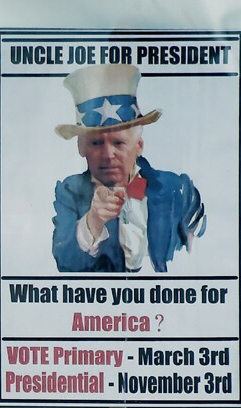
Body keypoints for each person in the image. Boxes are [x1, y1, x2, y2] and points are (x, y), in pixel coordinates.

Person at [52, 64, 206, 272]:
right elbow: (64, 263)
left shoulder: (178, 190)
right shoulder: (69, 191)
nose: (108, 154)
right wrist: (93, 221)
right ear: (81, 147)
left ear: (139, 146)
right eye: (96, 143)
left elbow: (204, 259)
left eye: (119, 143)